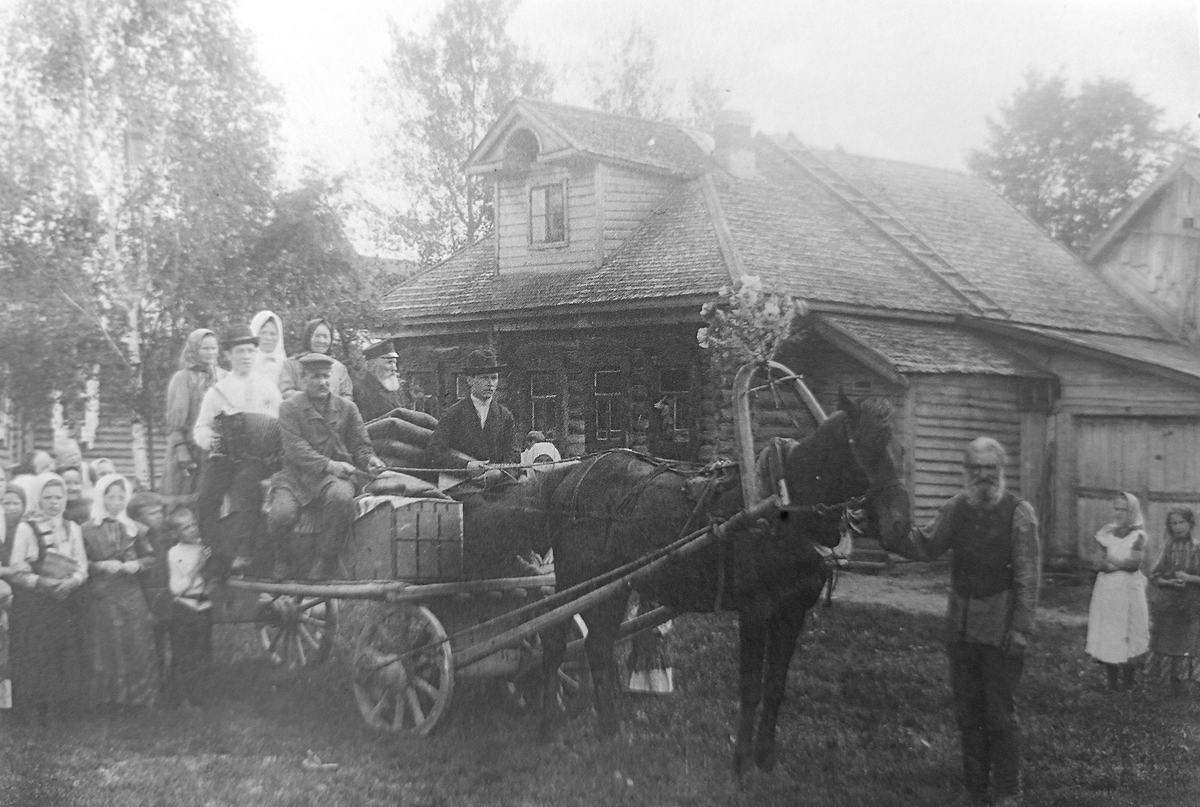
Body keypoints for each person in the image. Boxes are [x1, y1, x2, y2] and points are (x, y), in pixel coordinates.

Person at [880, 437, 1040, 807]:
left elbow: (1028, 578)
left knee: (999, 712)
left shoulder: (1020, 513)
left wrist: (1021, 628)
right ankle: (973, 788)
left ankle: (1009, 791)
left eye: (991, 468)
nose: (984, 475)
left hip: (1001, 628)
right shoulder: (956, 508)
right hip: (961, 627)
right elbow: (926, 544)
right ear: (966, 472)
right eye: (977, 468)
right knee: (968, 711)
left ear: (1002, 471)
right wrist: (889, 533)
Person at [268, 353, 385, 579]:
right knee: (280, 515)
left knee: (341, 498)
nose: (322, 382)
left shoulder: (347, 408)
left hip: (334, 478)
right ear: (302, 379)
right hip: (295, 477)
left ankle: (326, 559)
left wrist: (370, 460)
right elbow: (296, 449)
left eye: (325, 376)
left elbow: (361, 445)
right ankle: (283, 558)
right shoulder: (289, 408)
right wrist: (330, 464)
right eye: (315, 377)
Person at [193, 325, 283, 574]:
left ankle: (246, 550)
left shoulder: (268, 388)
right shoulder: (217, 391)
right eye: (240, 351)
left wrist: (271, 448)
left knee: (246, 486)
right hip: (223, 455)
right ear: (228, 355)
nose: (246, 356)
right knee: (205, 498)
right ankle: (217, 553)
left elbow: (279, 424)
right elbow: (201, 427)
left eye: (250, 351)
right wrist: (210, 440)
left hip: (256, 458)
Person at [8, 473, 88, 726]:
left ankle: (62, 710)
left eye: (59, 497)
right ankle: (35, 713)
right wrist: (41, 583)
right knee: (37, 654)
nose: (54, 503)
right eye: (48, 497)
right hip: (35, 602)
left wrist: (72, 581)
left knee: (63, 653)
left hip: (65, 598)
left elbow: (82, 565)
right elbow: (17, 569)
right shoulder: (26, 527)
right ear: (38, 499)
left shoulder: (72, 527)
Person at [80, 474, 159, 711]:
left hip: (131, 593)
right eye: (111, 496)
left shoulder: (135, 528)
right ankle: (110, 701)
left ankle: (140, 699)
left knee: (137, 644)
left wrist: (139, 565)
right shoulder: (86, 529)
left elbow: (150, 558)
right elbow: (81, 562)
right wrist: (100, 566)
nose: (116, 501)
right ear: (101, 497)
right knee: (109, 647)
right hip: (103, 594)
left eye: (121, 497)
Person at [1085, 492, 1150, 692]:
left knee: (1129, 630)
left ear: (1133, 511)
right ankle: (1112, 683)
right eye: (1117, 508)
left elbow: (1133, 564)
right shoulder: (1105, 533)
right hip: (1108, 590)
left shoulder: (1137, 535)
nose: (1120, 513)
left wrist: (1112, 562)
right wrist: (1109, 565)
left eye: (1125, 509)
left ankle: (1128, 683)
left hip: (1129, 590)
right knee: (1111, 632)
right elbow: (1097, 562)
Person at [427, 348, 517, 469]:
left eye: (494, 378)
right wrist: (466, 466)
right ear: (470, 380)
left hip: (497, 484)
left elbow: (513, 454)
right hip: (462, 482)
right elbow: (434, 453)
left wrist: (500, 472)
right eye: (484, 378)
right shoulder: (453, 414)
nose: (490, 383)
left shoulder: (505, 416)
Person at [162, 328, 225, 502]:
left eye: (213, 348)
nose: (210, 353)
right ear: (194, 350)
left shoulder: (223, 376)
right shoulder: (182, 378)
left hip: (215, 449)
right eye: (205, 348)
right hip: (189, 449)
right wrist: (181, 450)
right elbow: (175, 422)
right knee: (185, 498)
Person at [162, 506, 212, 710]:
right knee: (184, 656)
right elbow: (177, 589)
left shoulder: (204, 547)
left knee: (203, 655)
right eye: (186, 528)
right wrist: (198, 566)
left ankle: (198, 698)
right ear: (176, 534)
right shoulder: (174, 553)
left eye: (194, 525)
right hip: (184, 609)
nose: (193, 530)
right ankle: (180, 698)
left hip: (203, 607)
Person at [1146, 507, 1200, 694]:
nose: (1177, 527)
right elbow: (1154, 575)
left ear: (1191, 524)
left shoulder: (1197, 547)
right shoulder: (1167, 547)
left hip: (1192, 602)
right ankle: (1171, 682)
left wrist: (1189, 578)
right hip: (1169, 602)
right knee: (1168, 639)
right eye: (1173, 523)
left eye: (1181, 522)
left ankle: (1188, 681)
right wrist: (1169, 582)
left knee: (1189, 641)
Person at [127, 490, 171, 674]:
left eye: (161, 512)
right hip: (145, 598)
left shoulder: (161, 534)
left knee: (162, 640)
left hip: (164, 595)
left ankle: (166, 683)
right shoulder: (134, 536)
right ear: (137, 516)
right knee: (149, 645)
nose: (160, 516)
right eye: (154, 513)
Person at [280, 318, 353, 400]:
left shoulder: (339, 368)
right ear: (309, 337)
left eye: (325, 337)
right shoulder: (292, 364)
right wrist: (313, 399)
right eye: (317, 336)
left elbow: (347, 396)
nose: (321, 341)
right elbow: (286, 392)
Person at [354, 340, 410, 422]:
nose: (395, 368)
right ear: (372, 365)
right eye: (389, 362)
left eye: (395, 363)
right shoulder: (360, 390)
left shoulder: (397, 388)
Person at [250, 310, 287, 389]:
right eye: (263, 333)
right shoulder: (246, 363)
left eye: (273, 334)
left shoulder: (286, 366)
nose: (268, 338)